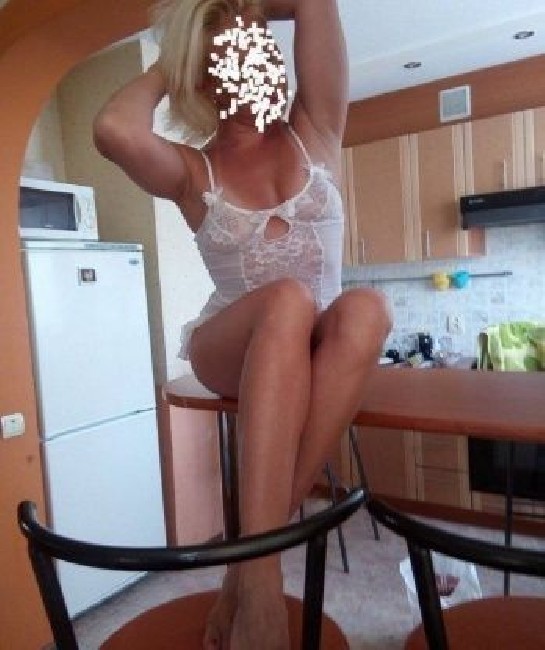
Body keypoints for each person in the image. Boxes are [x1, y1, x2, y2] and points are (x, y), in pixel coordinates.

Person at [93, 1, 391, 648]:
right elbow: (114, 129)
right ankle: (263, 593)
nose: (258, 60)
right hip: (230, 345)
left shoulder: (313, 129)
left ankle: (245, 571)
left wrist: (249, 8)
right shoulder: (191, 170)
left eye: (263, 49)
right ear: (204, 76)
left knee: (367, 307)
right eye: (235, 54)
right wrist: (181, 57)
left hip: (315, 344)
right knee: (286, 301)